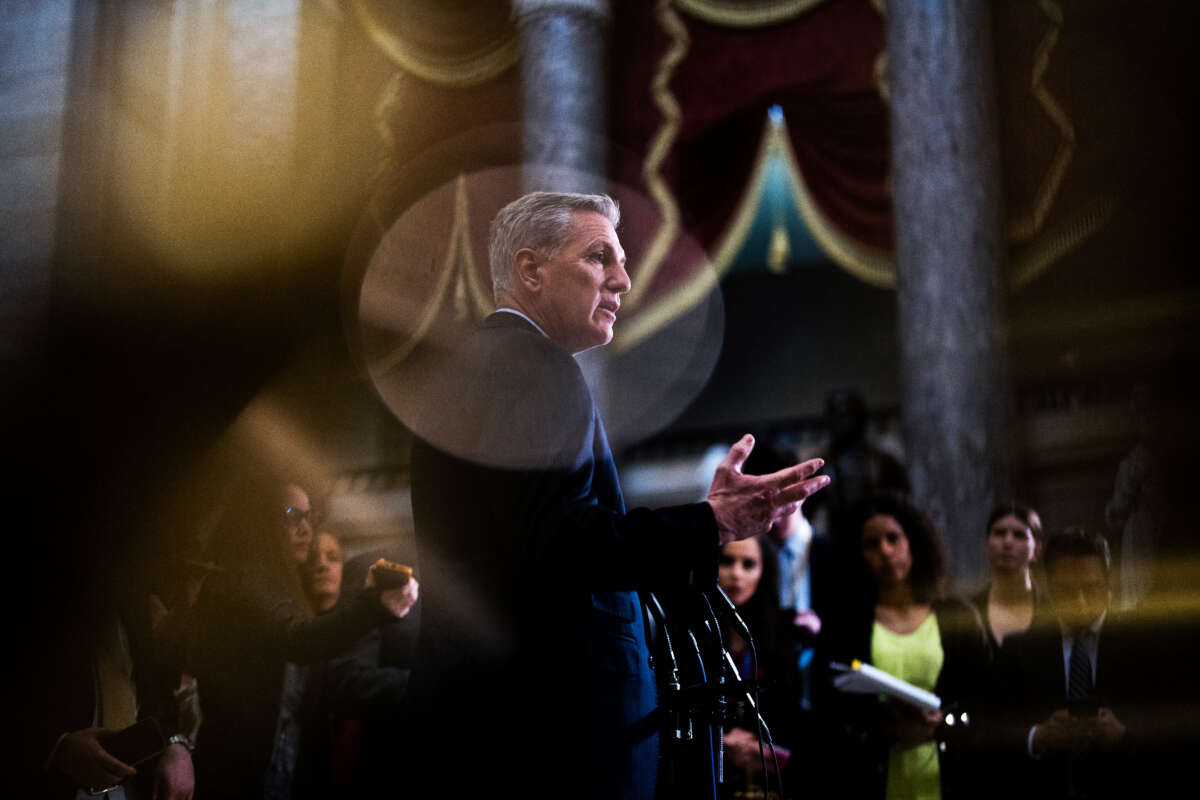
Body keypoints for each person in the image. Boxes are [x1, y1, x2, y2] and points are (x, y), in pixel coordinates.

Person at [404, 191, 830, 800]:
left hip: (495, 720)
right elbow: (563, 545)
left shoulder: (481, 366)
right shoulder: (533, 365)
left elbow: (532, 546)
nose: (624, 281)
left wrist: (704, 524)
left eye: (623, 261)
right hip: (549, 736)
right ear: (531, 270)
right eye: (599, 257)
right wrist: (710, 522)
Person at [184, 465, 418, 800]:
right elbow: (300, 641)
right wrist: (374, 607)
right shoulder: (248, 578)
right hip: (241, 775)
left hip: (279, 774)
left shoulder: (287, 589)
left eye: (310, 516)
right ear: (262, 519)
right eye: (293, 514)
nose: (305, 528)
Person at [984, 527, 1197, 800]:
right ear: (1048, 588)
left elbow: (1181, 735)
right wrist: (1039, 736)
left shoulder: (1149, 648)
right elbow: (988, 731)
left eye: (1090, 589)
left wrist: (1124, 738)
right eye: (1066, 591)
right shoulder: (1019, 651)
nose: (1080, 602)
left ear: (1109, 586)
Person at [812, 493, 988, 800]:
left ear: (913, 540)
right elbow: (828, 705)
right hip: (875, 773)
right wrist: (881, 727)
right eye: (872, 544)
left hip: (949, 770)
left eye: (893, 538)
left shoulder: (956, 614)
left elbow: (983, 694)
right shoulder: (846, 624)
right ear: (858, 554)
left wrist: (944, 721)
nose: (886, 551)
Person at [717, 535, 803, 798]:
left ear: (764, 572)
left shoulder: (783, 634)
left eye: (748, 564)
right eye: (727, 561)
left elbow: (794, 716)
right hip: (711, 773)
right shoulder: (692, 632)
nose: (736, 574)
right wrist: (722, 741)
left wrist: (762, 746)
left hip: (769, 778)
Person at [969, 502, 1044, 654]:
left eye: (1019, 535)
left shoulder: (1051, 608)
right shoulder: (970, 611)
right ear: (986, 543)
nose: (1007, 542)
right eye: (999, 533)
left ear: (1036, 550)